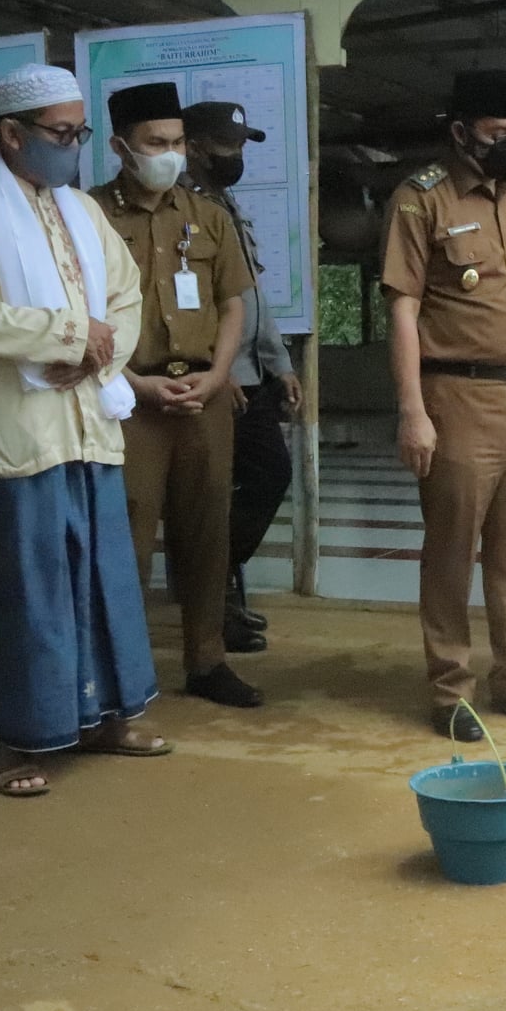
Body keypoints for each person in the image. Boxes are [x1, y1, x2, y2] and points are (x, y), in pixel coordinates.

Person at [0, 63, 169, 796]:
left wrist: (97, 351)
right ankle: (25, 741)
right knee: (32, 588)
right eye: (62, 135)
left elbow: (125, 297)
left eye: (80, 132)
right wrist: (63, 335)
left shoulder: (81, 210)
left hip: (89, 419)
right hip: (20, 430)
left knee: (105, 578)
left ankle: (110, 718)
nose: (74, 148)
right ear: (12, 133)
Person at [381, 70, 506, 740]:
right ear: (461, 131)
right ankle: (450, 690)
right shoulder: (420, 200)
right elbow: (403, 309)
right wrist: (413, 410)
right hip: (455, 394)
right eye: (499, 134)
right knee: (452, 549)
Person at [90, 82, 262, 710]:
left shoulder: (207, 214)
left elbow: (232, 302)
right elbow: (75, 312)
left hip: (204, 396)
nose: (170, 154)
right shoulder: (89, 216)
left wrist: (219, 377)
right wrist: (134, 382)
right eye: (154, 143)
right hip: (128, 398)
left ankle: (207, 660)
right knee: (128, 537)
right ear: (120, 146)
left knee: (207, 532)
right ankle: (124, 673)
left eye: (177, 142)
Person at [179, 100, 300, 655]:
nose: (238, 157)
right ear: (197, 148)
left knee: (268, 476)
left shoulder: (228, 205)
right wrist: (214, 366)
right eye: (229, 147)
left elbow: (251, 293)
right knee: (225, 489)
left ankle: (217, 589)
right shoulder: (181, 209)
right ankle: (212, 598)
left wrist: (280, 362)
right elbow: (183, 305)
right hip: (217, 377)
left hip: (251, 373)